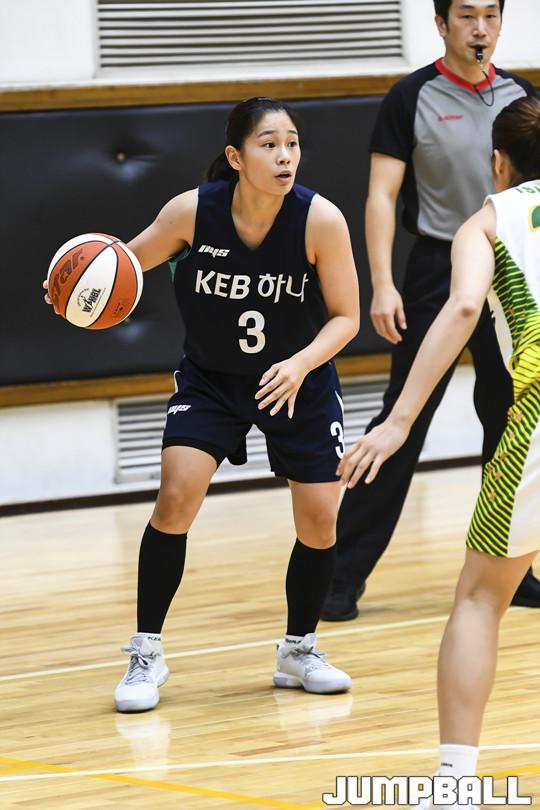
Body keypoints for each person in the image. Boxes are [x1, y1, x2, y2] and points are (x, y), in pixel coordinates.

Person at [46, 97, 360, 711]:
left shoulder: (321, 220)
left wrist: (300, 363)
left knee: (321, 519)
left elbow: (347, 317)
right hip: (212, 381)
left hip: (296, 379)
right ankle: (146, 653)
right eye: (269, 145)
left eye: (292, 143)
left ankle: (299, 650)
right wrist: (72, 285)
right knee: (175, 497)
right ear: (236, 158)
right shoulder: (192, 212)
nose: (285, 156)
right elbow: (123, 264)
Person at [338, 95, 540, 810]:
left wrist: (399, 421)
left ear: (498, 163)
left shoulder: (486, 222)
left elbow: (461, 309)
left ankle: (455, 783)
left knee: (480, 599)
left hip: (537, 422)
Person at [322, 0, 540, 622]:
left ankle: (516, 568)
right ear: (442, 24)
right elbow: (381, 195)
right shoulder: (410, 96)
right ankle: (338, 577)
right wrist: (383, 284)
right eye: (467, 16)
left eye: (491, 16)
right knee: (404, 417)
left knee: (510, 420)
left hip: (512, 263)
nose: (480, 28)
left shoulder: (522, 98)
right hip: (437, 267)